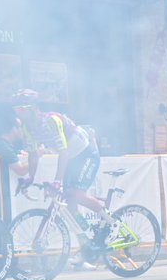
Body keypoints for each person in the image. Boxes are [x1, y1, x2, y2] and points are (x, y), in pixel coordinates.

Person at [12, 89, 120, 247]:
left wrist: (57, 181)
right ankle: (88, 243)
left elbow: (63, 152)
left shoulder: (51, 120)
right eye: (15, 110)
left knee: (76, 194)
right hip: (72, 159)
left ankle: (112, 222)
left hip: (86, 154)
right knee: (70, 206)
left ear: (33, 108)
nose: (18, 113)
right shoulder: (28, 128)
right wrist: (30, 178)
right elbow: (33, 155)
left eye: (20, 109)